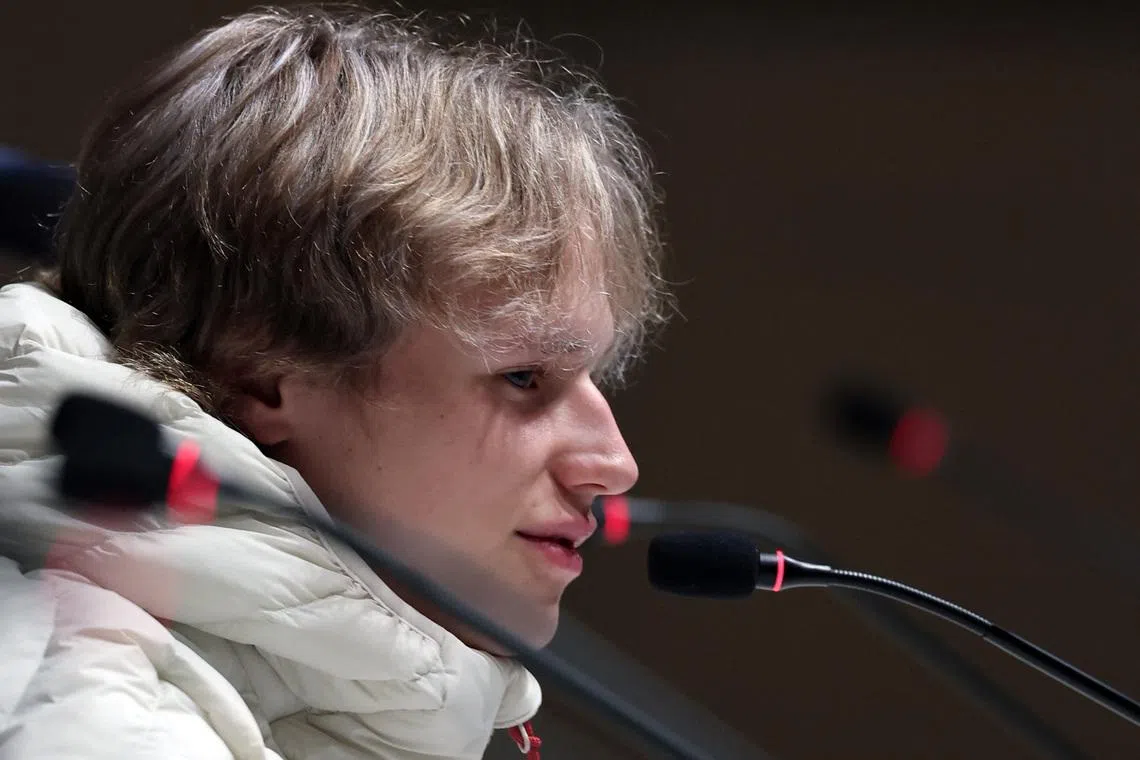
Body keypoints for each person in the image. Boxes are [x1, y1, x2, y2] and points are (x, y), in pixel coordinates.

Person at [0, 6, 668, 759]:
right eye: (523, 376)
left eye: (591, 377)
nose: (615, 464)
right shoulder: (89, 716)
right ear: (262, 374)